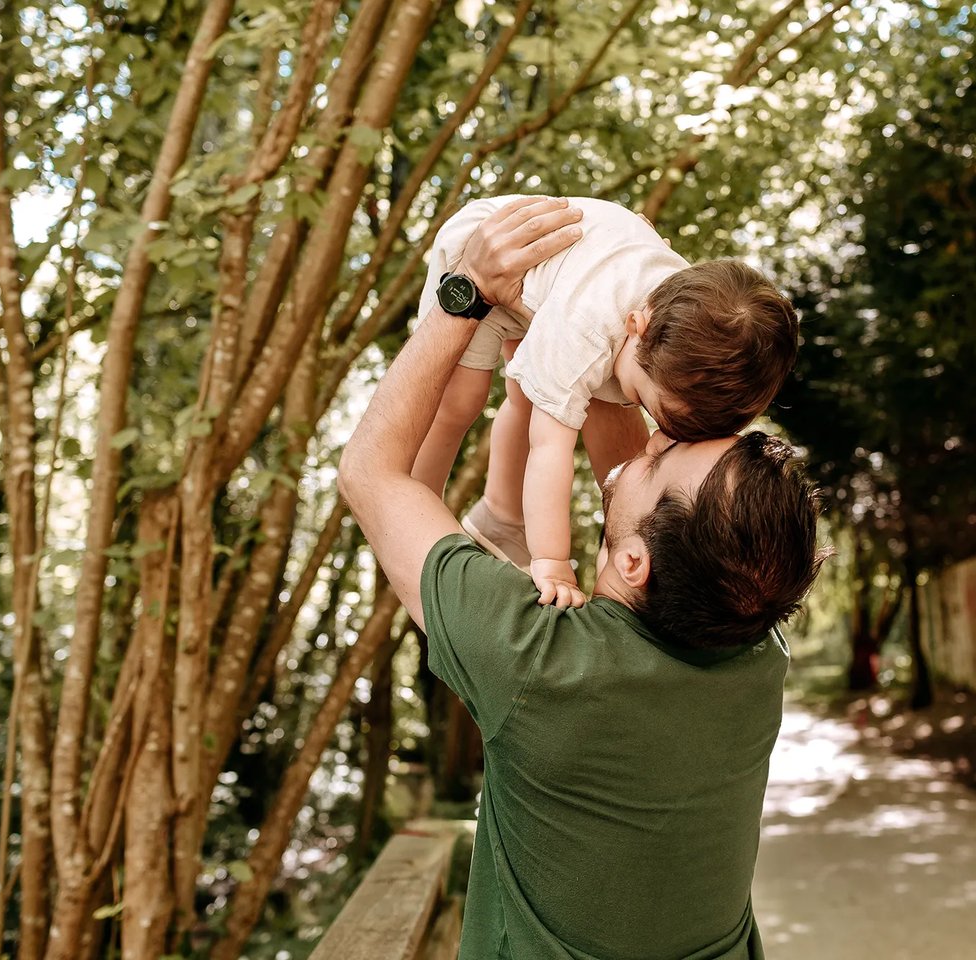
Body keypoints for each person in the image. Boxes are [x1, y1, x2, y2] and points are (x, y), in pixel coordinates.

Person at [338, 198, 826, 960]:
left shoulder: (535, 660)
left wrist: (461, 292)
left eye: (660, 452)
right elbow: (623, 469)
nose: (647, 442)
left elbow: (373, 473)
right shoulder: (753, 656)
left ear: (636, 564)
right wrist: (586, 327)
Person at [410, 195, 799, 609]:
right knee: (460, 402)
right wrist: (552, 559)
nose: (652, 431)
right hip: (489, 249)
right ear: (637, 326)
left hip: (569, 276)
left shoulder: (693, 314)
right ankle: (414, 508)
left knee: (528, 398)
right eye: (641, 400)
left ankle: (500, 518)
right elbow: (549, 448)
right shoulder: (589, 333)